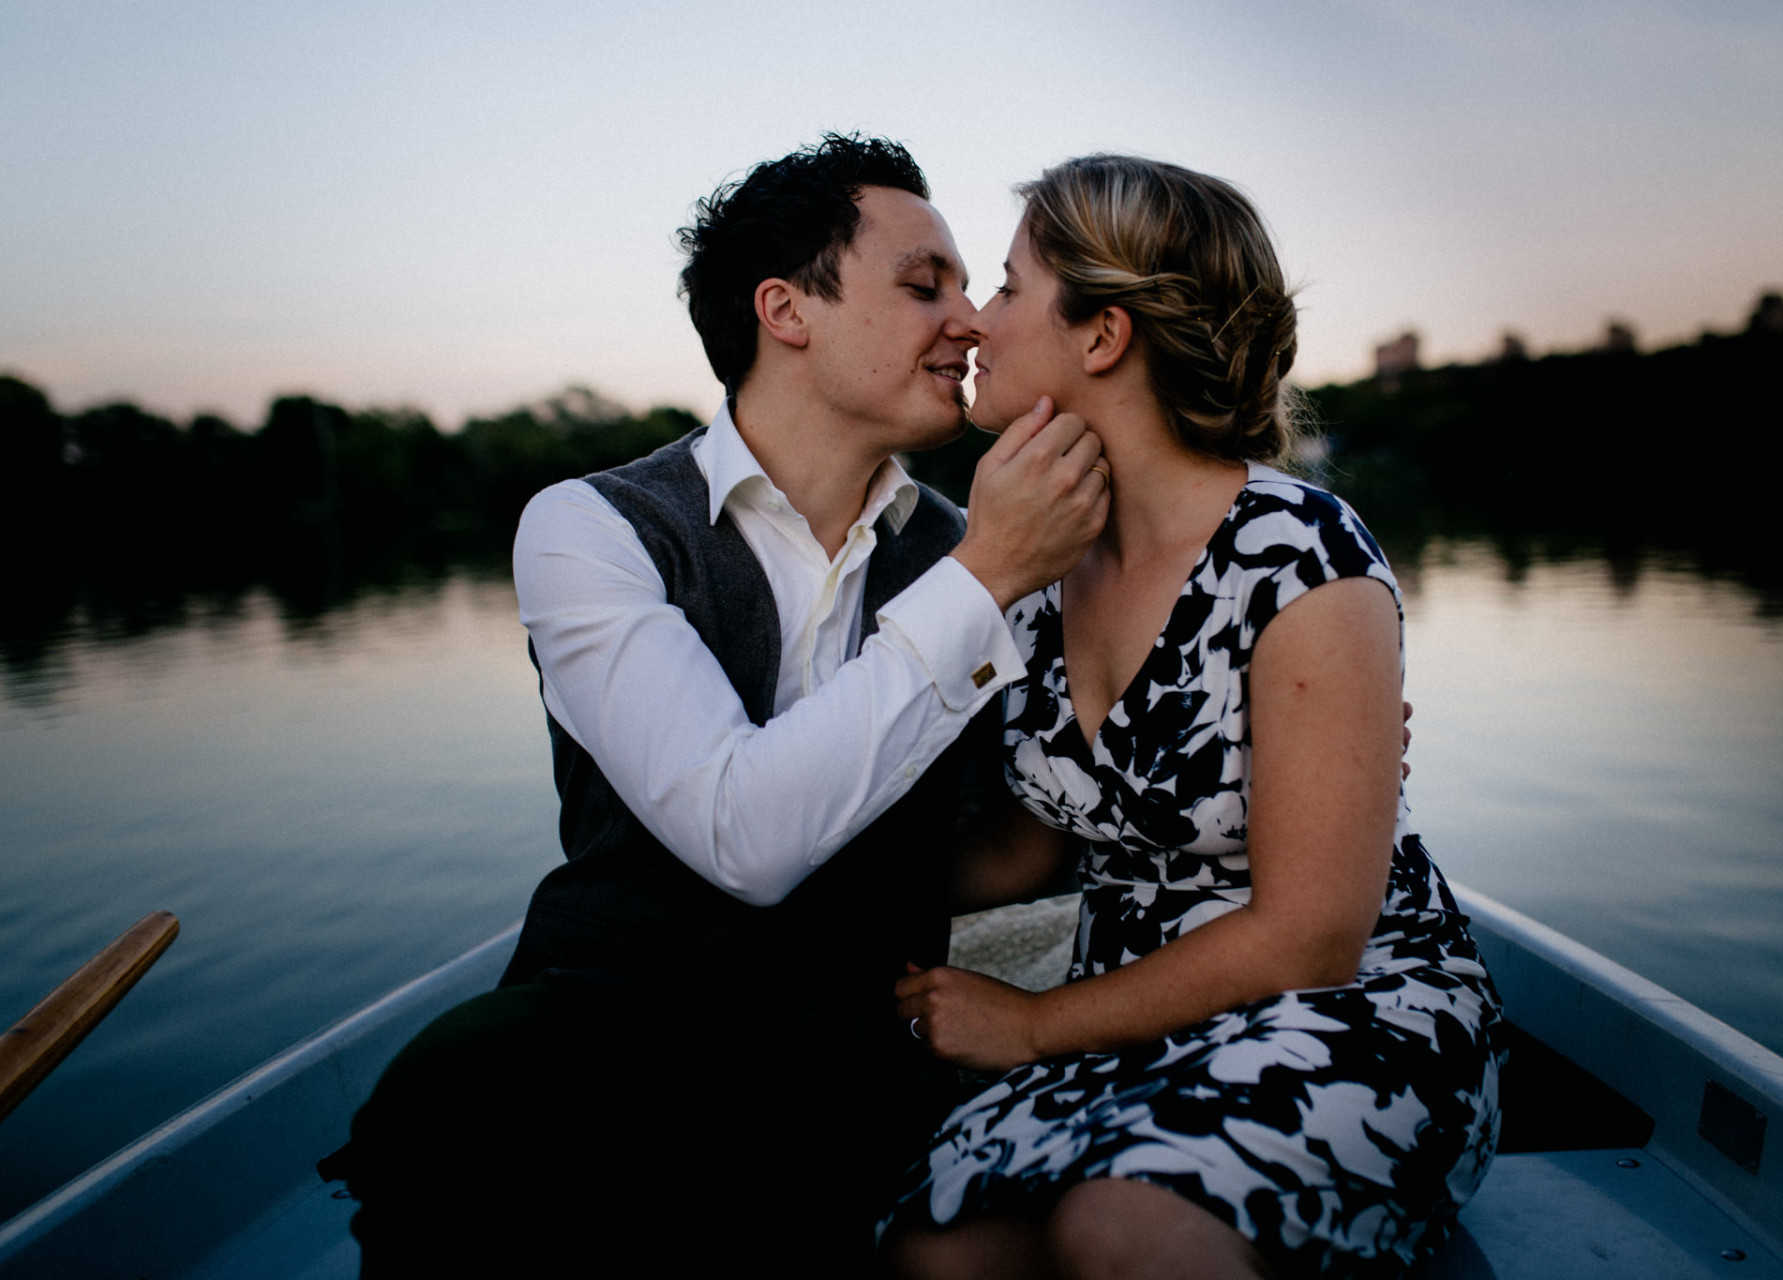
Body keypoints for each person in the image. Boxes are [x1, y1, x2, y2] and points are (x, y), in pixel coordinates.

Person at [342, 135, 1110, 1277]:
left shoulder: (976, 551)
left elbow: (1007, 846)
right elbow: (741, 835)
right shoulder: (592, 528)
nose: (973, 322)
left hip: (853, 1030)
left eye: (970, 287)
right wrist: (989, 579)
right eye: (923, 286)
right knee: (456, 1088)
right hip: (613, 1011)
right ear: (786, 309)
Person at [884, 156, 1503, 1278]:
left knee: (1123, 1230)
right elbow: (1025, 847)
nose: (977, 319)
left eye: (1013, 286)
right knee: (947, 1257)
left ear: (1104, 336)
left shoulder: (1299, 554)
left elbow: (1313, 932)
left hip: (1344, 1004)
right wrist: (796, 877)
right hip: (1132, 1015)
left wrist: (1024, 1027)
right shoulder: (1033, 565)